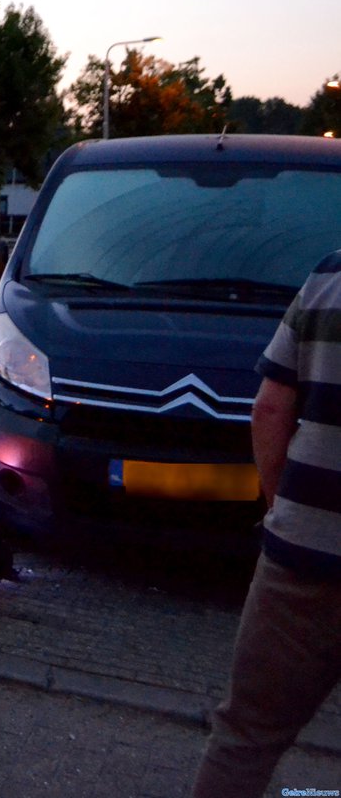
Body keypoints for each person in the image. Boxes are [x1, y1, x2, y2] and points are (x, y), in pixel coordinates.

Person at [191, 249, 341, 798]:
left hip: (302, 559)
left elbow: (270, 409)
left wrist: (284, 509)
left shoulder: (330, 277)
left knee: (246, 737)